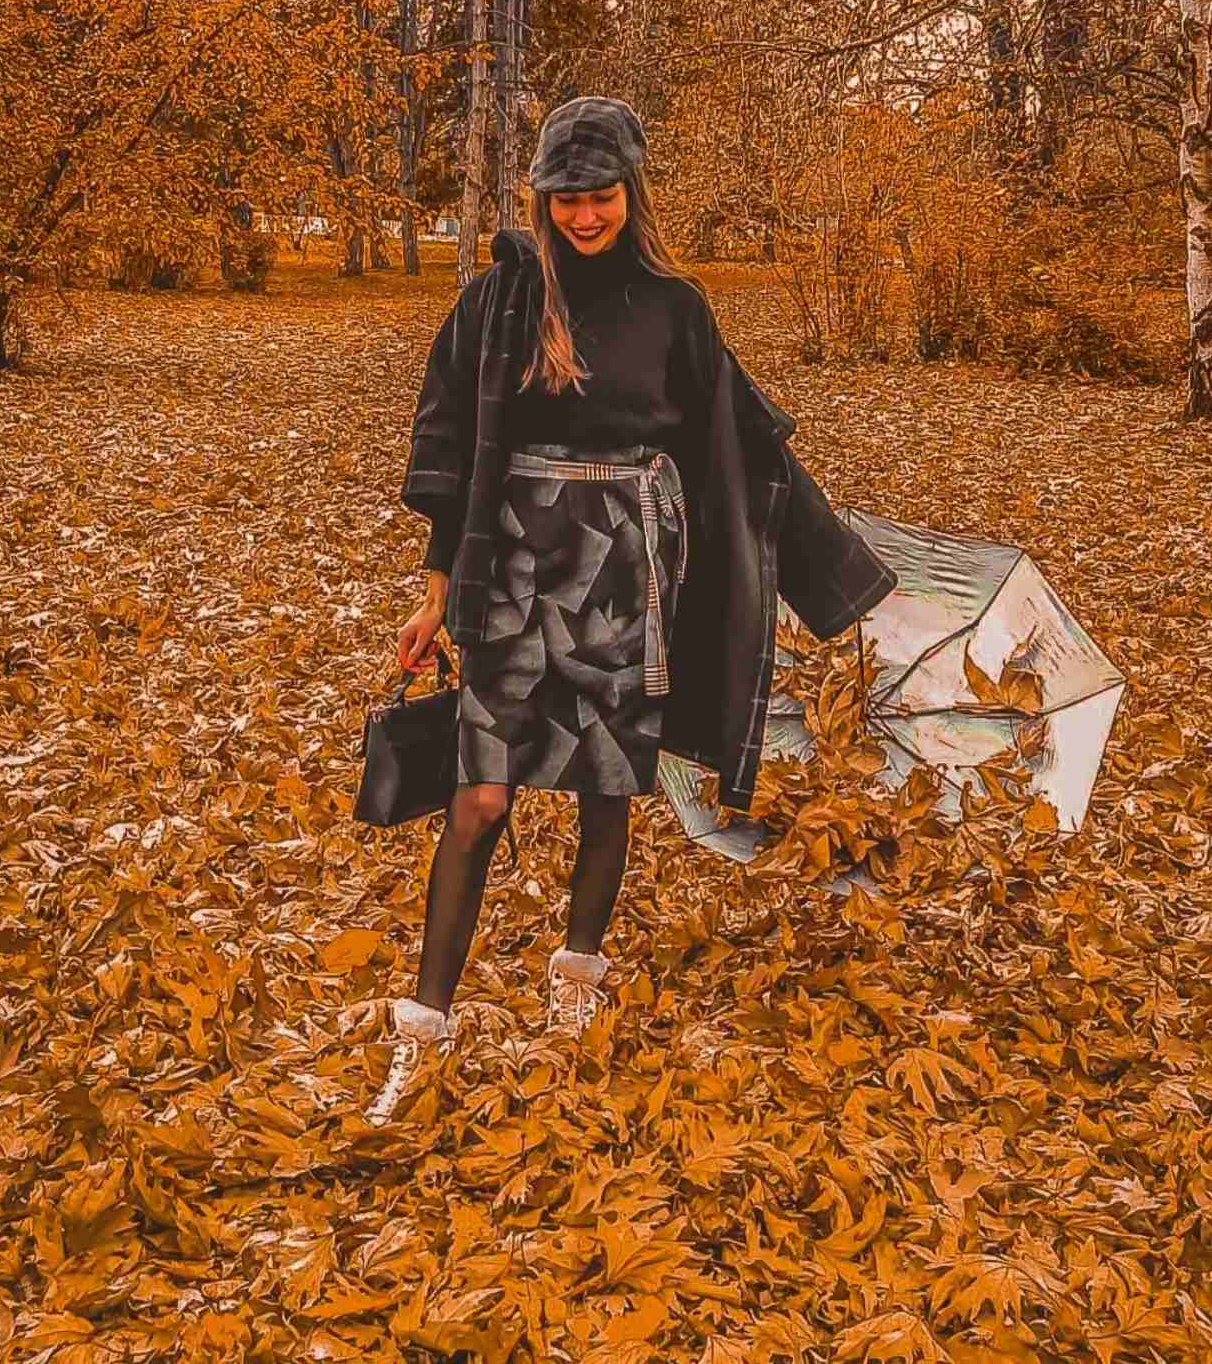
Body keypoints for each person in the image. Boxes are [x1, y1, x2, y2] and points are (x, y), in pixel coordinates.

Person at [366, 97, 896, 1124]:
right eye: (565, 198)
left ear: (631, 193)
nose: (583, 216)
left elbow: (748, 449)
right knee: (478, 800)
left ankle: (576, 982)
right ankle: (421, 1032)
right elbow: (451, 452)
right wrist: (434, 593)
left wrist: (840, 583)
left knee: (608, 787)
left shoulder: (675, 308)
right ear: (542, 195)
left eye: (601, 196)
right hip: (514, 567)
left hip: (625, 571)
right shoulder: (500, 301)